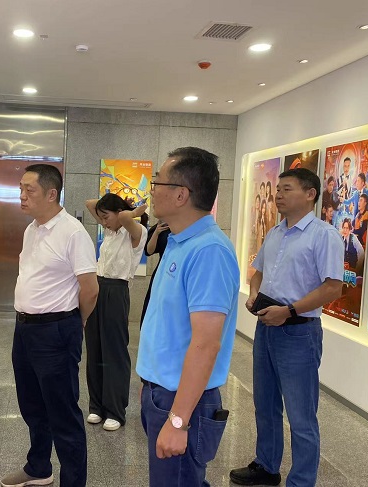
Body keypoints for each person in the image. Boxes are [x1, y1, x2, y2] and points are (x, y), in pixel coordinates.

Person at [230, 168, 343, 487]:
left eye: (286, 189)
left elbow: (333, 287)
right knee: (265, 404)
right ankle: (266, 466)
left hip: (299, 332)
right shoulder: (275, 232)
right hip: (267, 327)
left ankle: (301, 481)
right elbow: (258, 272)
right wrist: (254, 293)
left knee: (301, 415)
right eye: (277, 189)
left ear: (310, 194)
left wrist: (289, 310)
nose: (278, 194)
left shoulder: (324, 235)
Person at [137, 147, 240, 486]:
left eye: (157, 182)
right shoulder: (179, 241)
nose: (152, 190)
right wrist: (148, 384)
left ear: (181, 195)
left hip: (183, 402)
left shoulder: (209, 251)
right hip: (162, 393)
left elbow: (206, 344)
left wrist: (178, 420)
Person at [1, 164, 99, 487]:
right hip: (25, 330)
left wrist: (75, 323)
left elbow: (90, 289)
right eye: (20, 188)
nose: (22, 195)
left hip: (56, 331)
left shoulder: (73, 233)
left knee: (63, 414)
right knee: (32, 405)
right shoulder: (32, 229)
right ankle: (39, 467)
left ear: (51, 193)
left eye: (29, 189)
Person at [84, 194, 147, 431]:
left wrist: (132, 212)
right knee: (95, 348)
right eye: (101, 218)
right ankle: (96, 406)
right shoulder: (110, 231)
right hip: (97, 287)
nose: (103, 222)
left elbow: (124, 217)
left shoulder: (136, 232)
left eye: (106, 217)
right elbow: (90, 203)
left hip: (116, 291)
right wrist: (118, 212)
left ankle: (115, 411)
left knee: (114, 352)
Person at [139, 220, 171, 328]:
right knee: (152, 306)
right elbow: (149, 251)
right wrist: (157, 232)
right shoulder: (161, 227)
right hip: (161, 270)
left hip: (176, 272)